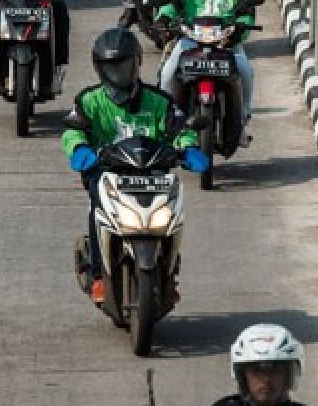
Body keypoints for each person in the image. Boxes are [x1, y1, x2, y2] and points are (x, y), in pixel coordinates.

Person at [61, 28, 208, 304]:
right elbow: (73, 130)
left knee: (172, 216)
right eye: (110, 67)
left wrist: (188, 148)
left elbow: (180, 129)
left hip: (153, 176)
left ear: (137, 62)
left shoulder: (159, 101)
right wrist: (80, 148)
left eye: (124, 64)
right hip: (108, 175)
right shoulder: (89, 101)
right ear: (99, 68)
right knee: (97, 210)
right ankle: (98, 277)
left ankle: (169, 271)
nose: (118, 72)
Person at [156, 0, 255, 141]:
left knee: (246, 70)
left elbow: (246, 11)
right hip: (190, 40)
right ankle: (166, 120)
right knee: (168, 72)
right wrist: (165, 18)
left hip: (226, 41)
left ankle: (243, 118)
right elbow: (170, 2)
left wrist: (238, 31)